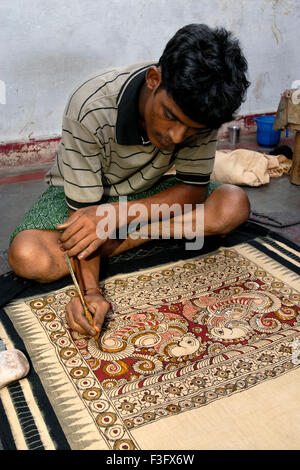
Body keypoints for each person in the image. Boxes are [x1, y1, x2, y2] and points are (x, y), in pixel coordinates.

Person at [8, 24, 251, 337]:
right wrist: (92, 292)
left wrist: (115, 217)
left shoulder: (201, 110)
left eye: (191, 130)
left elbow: (191, 189)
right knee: (28, 256)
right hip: (81, 197)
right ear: (153, 80)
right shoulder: (91, 105)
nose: (176, 136)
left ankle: (122, 239)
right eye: (171, 116)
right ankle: (138, 238)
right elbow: (83, 213)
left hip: (142, 198)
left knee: (233, 203)